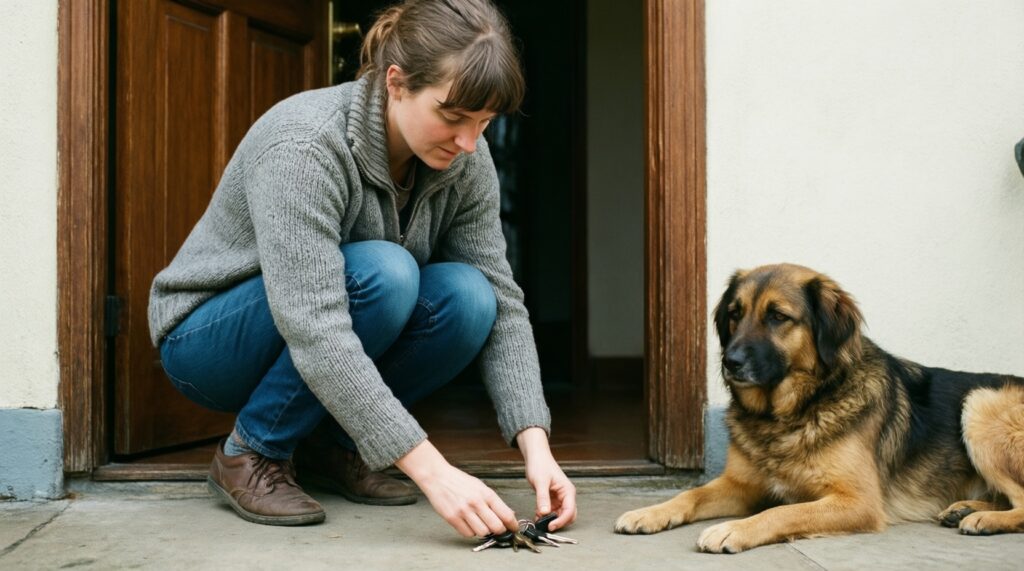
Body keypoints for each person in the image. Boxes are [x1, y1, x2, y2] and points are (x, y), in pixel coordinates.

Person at [147, 0, 577, 537]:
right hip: (208, 340)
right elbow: (315, 325)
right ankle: (250, 452)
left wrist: (537, 448)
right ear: (396, 83)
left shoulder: (467, 157)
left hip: (321, 324)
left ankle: (338, 445)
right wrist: (433, 472)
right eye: (452, 116)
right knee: (386, 273)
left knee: (472, 297)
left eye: (485, 123)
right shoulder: (304, 144)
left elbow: (502, 300)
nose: (469, 142)